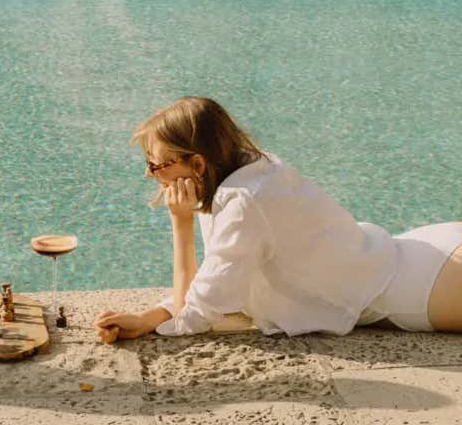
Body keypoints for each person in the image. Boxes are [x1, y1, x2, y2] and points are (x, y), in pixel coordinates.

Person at [95, 97, 462, 342]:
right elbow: (221, 281)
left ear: (198, 164)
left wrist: (181, 224)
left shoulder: (242, 203)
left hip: (423, 288)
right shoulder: (252, 169)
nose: (150, 175)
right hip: (417, 253)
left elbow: (196, 317)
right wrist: (149, 317)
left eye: (156, 164)